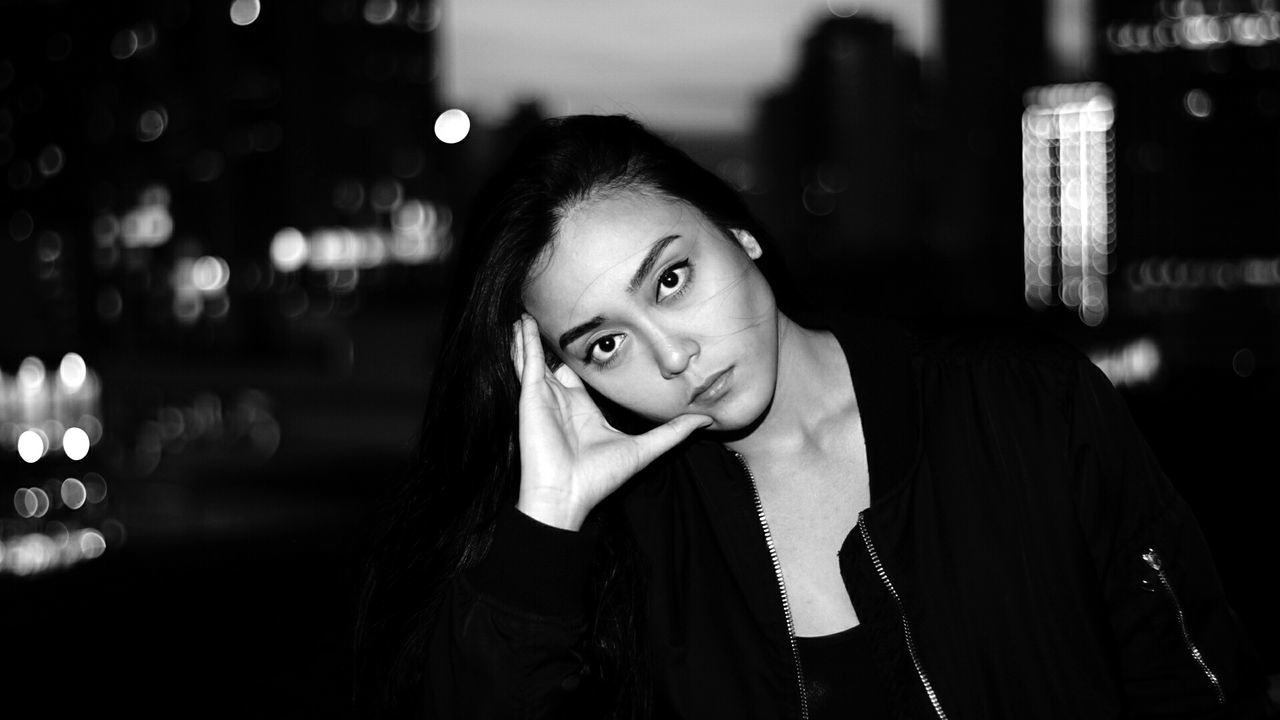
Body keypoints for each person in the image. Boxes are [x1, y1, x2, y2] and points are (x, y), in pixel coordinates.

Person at [355, 114, 1275, 719]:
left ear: (741, 233)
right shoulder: (619, 544)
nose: (670, 356)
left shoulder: (1026, 407)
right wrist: (546, 524)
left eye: (671, 280)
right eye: (605, 345)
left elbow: (1195, 680)